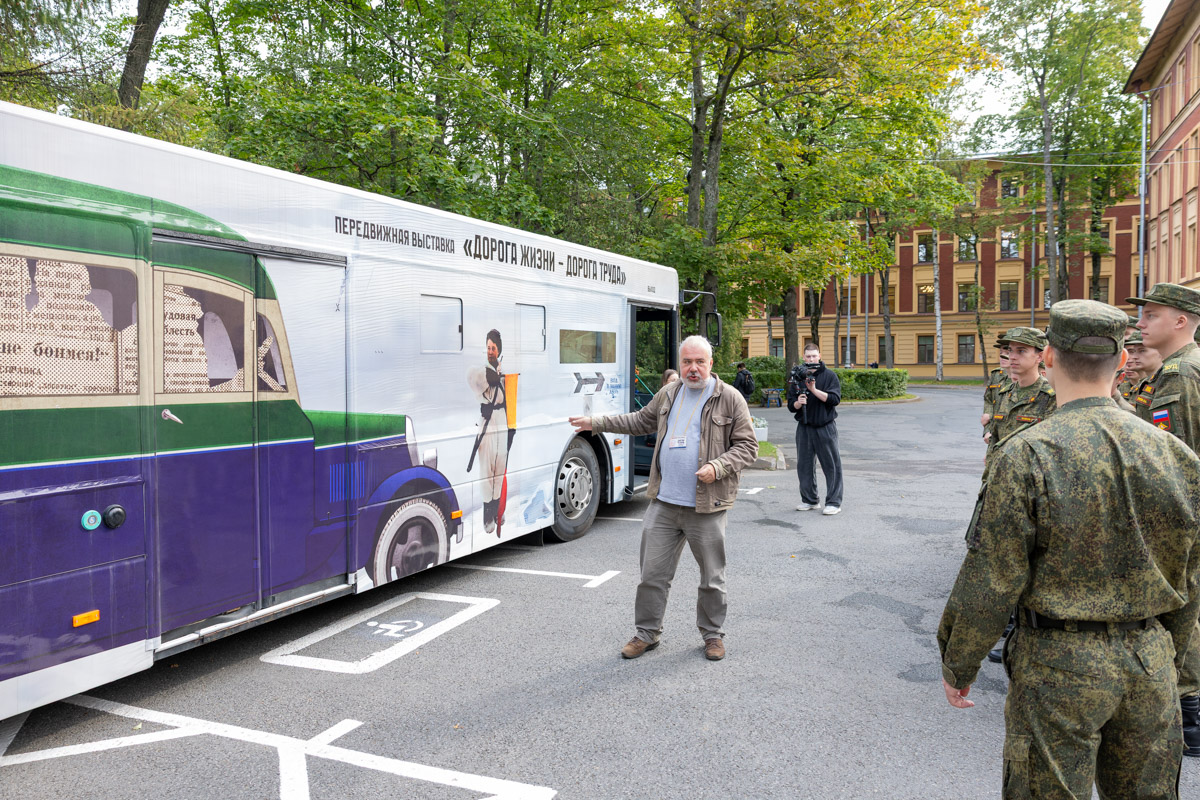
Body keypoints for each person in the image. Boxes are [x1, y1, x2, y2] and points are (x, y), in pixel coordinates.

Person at [938, 299, 1200, 798]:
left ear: (1051, 357)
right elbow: (1192, 579)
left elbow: (993, 577)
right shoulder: (1177, 455)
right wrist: (1174, 660)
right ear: (1123, 361)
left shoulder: (1029, 452)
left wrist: (959, 662)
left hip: (1058, 664)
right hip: (1150, 659)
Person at [569, 335, 757, 661]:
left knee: (712, 579)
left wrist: (719, 465)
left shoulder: (730, 398)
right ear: (680, 363)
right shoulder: (669, 393)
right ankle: (647, 633)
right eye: (687, 362)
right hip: (665, 503)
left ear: (711, 364)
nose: (693, 368)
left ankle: (713, 636)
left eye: (700, 362)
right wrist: (596, 423)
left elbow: (748, 446)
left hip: (706, 507)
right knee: (651, 576)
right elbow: (639, 420)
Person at [1128, 282, 1200, 758]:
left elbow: (1178, 458)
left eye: (1151, 315)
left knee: (1183, 608)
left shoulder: (1180, 372)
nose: (1140, 323)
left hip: (1181, 515)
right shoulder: (1186, 367)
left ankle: (1187, 714)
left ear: (1180, 321)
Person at [983, 327, 1055, 466]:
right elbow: (994, 445)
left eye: (1021, 351)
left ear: (1039, 357)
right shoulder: (1003, 394)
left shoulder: (1051, 397)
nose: (1012, 356)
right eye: (1010, 350)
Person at [787, 343, 843, 515]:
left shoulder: (829, 376)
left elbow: (835, 399)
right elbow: (790, 404)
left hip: (825, 426)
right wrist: (798, 402)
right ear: (804, 358)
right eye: (808, 356)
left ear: (819, 355)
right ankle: (810, 500)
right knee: (804, 466)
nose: (811, 359)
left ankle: (833, 502)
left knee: (831, 465)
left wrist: (814, 390)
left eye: (814, 356)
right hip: (804, 426)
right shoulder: (798, 376)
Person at [466, 329, 510, 536]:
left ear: (499, 349)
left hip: (502, 421)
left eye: (493, 348)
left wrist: (512, 429)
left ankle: (496, 510)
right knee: (487, 470)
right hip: (488, 422)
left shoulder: (502, 373)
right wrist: (495, 374)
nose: (490, 351)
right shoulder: (482, 370)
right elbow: (475, 378)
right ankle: (487, 514)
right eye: (488, 347)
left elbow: (509, 398)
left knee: (499, 468)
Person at [981, 338, 1012, 428]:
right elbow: (988, 401)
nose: (1003, 357)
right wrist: (987, 431)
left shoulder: (1025, 379)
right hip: (994, 433)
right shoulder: (996, 375)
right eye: (1001, 353)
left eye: (1007, 353)